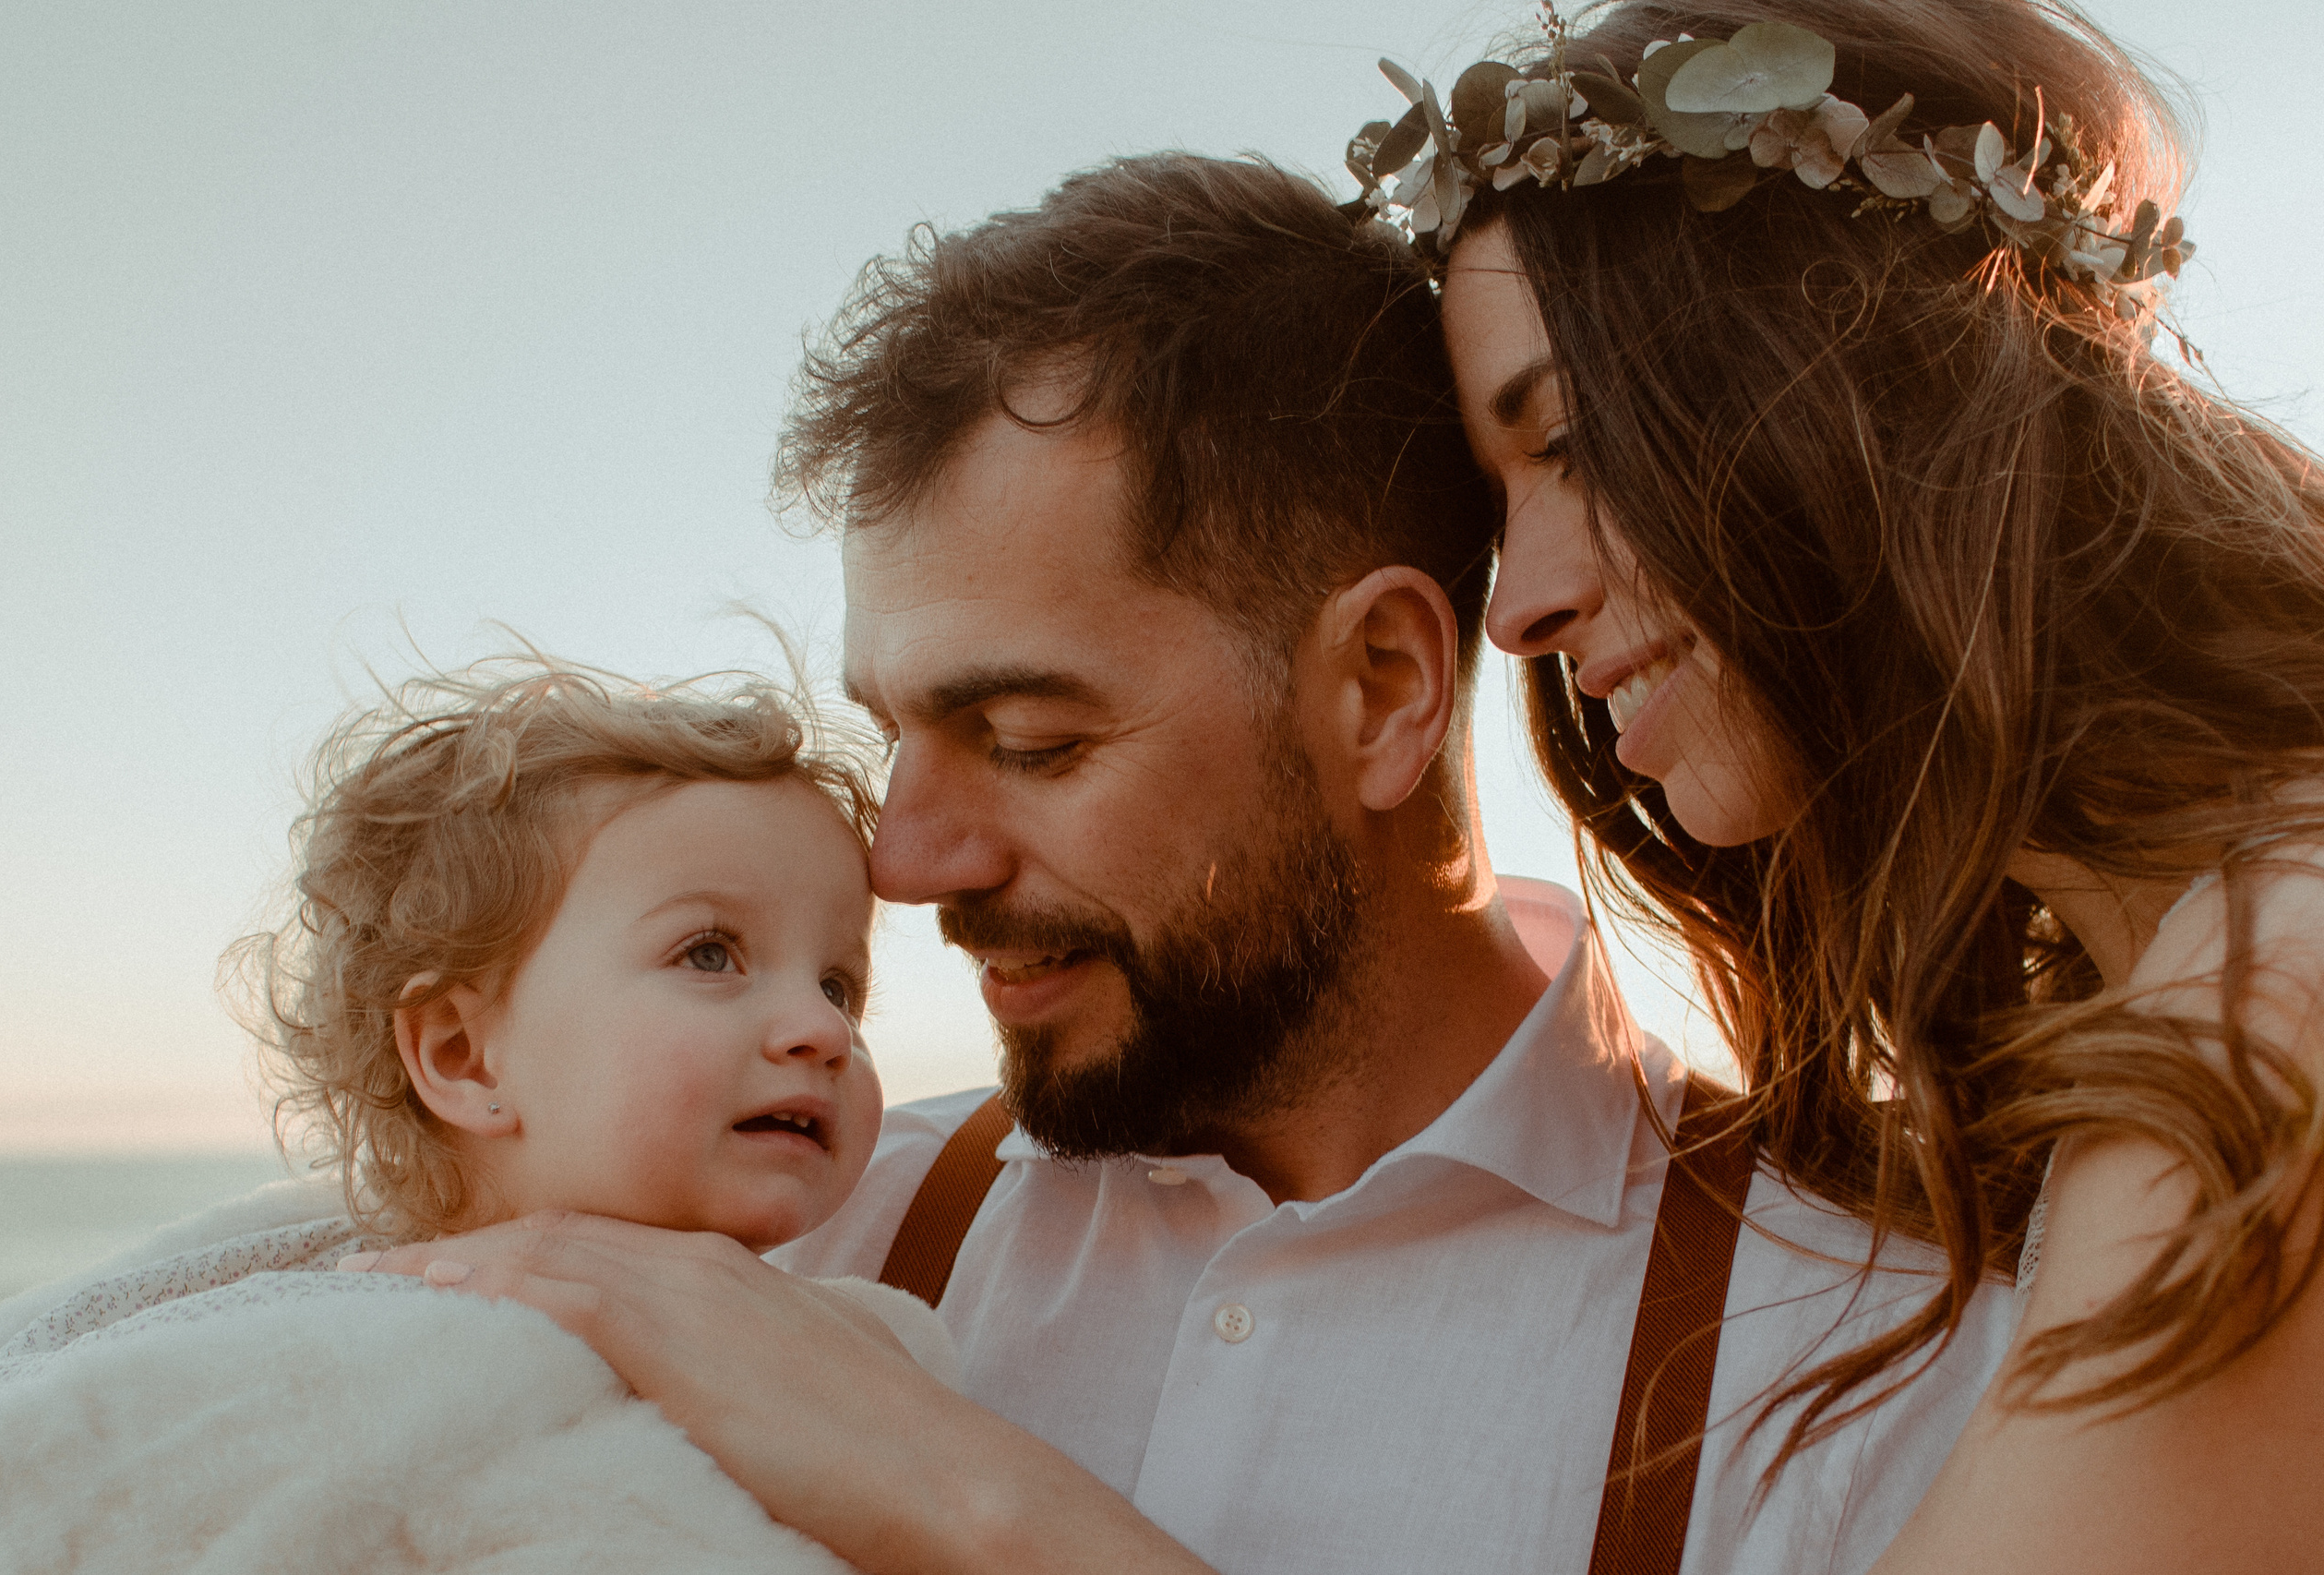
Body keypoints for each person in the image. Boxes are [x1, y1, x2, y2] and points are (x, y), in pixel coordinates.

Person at [337, 156, 2018, 1575]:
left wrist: (971, 1500)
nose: (904, 863)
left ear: (1380, 691)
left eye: (1027, 736)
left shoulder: (1876, 1356)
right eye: (894, 738)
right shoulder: (760, 1229)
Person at [1399, 1, 2324, 1570]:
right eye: (1505, 505)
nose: (1519, 608)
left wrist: (966, 1500)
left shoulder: (2261, 1021)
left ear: (1860, 373)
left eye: (1573, 437)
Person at [0, 658, 956, 1572]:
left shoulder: (844, 1363)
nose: (818, 1028)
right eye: (709, 952)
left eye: (839, 981)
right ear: (462, 1054)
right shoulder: (367, 1348)